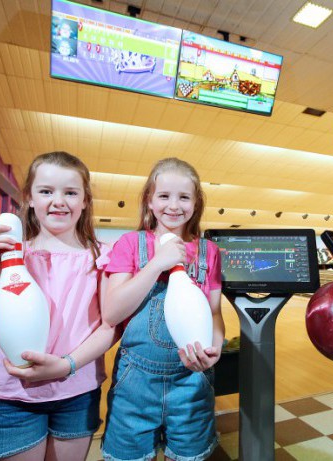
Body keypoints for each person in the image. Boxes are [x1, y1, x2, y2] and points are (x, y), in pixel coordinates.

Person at [0, 151, 119, 461]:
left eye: (71, 192)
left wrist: (67, 365)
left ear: (85, 200)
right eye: (46, 191)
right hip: (12, 394)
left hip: (77, 393)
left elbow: (110, 326)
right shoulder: (9, 252)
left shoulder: (103, 256)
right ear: (30, 197)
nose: (58, 200)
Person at [100, 157, 224, 461]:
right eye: (164, 196)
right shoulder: (130, 244)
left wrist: (215, 348)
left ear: (196, 203)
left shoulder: (210, 252)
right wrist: (157, 263)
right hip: (135, 382)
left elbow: (215, 312)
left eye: (184, 197)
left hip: (192, 379)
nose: (174, 205)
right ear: (149, 200)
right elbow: (112, 313)